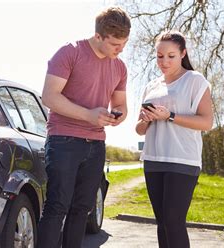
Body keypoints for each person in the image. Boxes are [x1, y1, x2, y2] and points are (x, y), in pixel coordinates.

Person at [37, 7, 131, 248]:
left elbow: (120, 103)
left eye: (124, 44)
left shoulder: (119, 67)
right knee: (58, 205)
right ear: (98, 36)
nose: (120, 50)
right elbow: (49, 96)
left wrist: (118, 116)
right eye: (115, 45)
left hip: (96, 144)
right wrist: (89, 115)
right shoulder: (70, 53)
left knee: (83, 208)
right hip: (63, 141)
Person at [135, 30, 214, 248]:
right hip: (153, 159)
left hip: (183, 160)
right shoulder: (151, 86)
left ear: (182, 54)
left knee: (173, 221)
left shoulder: (195, 80)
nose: (164, 61)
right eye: (160, 56)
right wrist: (147, 120)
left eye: (171, 56)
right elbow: (139, 129)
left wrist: (169, 116)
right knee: (162, 222)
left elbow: (206, 122)